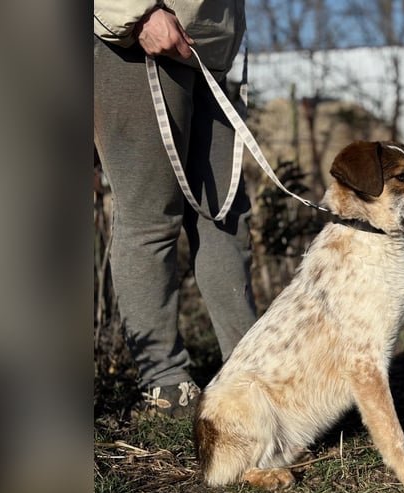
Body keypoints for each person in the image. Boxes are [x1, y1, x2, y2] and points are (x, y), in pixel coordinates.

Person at [94, 1, 256, 419]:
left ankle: (251, 369)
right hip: (138, 39)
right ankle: (166, 386)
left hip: (207, 49)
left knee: (225, 217)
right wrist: (133, 11)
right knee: (152, 219)